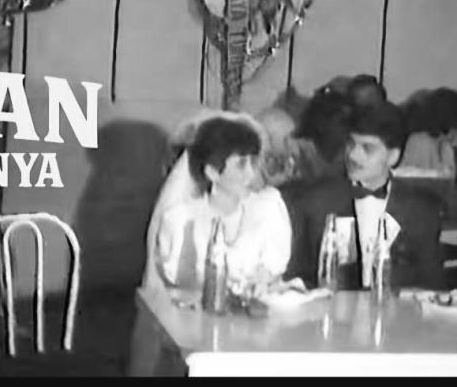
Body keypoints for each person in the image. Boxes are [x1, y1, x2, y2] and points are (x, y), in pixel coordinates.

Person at [282, 101, 446, 291]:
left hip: (396, 308)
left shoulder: (421, 209)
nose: (353, 155)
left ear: (393, 156)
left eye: (367, 148)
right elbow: (295, 278)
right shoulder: (316, 202)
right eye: (351, 144)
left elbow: (432, 284)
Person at [141, 111, 292, 296]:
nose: (251, 174)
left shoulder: (267, 210)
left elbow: (273, 274)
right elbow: (181, 285)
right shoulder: (181, 221)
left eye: (253, 162)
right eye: (241, 165)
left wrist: (264, 279)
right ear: (212, 172)